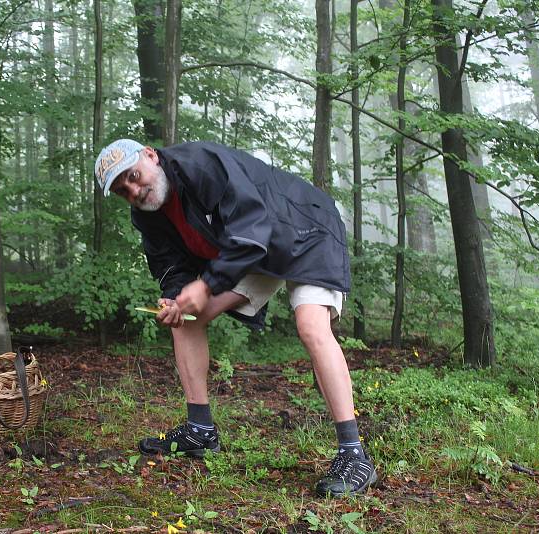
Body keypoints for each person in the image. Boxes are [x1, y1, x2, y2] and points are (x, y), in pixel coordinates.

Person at [94, 139, 377, 497]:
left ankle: (354, 455)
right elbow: (169, 263)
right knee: (185, 318)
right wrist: (179, 294)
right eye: (123, 190)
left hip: (305, 229)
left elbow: (251, 224)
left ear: (151, 156)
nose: (134, 190)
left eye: (133, 176)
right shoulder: (146, 214)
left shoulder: (201, 165)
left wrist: (207, 284)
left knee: (311, 326)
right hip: (249, 249)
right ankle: (200, 430)